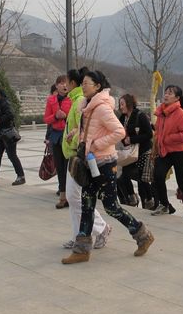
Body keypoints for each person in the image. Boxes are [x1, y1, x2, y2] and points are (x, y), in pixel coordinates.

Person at [62, 70, 154, 264]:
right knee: (87, 204)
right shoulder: (86, 106)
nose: (83, 86)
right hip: (90, 162)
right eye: (82, 83)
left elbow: (119, 132)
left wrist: (96, 144)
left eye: (86, 83)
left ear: (97, 86)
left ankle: (143, 235)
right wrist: (75, 133)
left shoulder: (102, 108)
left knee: (111, 206)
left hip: (104, 164)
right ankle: (82, 250)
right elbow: (92, 130)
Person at [60, 68, 111, 253]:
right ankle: (78, 237)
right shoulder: (78, 101)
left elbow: (86, 132)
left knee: (77, 198)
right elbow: (77, 128)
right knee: (73, 198)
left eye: (66, 82)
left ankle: (101, 228)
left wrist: (76, 139)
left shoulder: (83, 102)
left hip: (80, 156)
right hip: (73, 155)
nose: (63, 85)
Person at [150, 85, 183, 219]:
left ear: (177, 98)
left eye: (170, 93)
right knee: (158, 176)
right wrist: (156, 143)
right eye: (166, 92)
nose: (166, 95)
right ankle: (165, 205)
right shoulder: (161, 112)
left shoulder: (180, 114)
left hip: (180, 153)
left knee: (182, 183)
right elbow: (159, 131)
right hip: (165, 151)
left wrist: (168, 138)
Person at [116, 94, 154, 209]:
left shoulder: (140, 116)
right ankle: (132, 196)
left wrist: (132, 139)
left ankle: (149, 200)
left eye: (122, 104)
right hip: (129, 152)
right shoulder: (122, 118)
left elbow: (149, 134)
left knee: (143, 179)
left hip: (143, 151)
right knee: (123, 174)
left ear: (129, 103)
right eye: (120, 104)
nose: (121, 107)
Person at [44, 75, 72, 207]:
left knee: (69, 167)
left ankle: (71, 196)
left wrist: (65, 117)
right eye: (61, 83)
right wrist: (55, 116)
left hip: (68, 136)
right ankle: (62, 197)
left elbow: (76, 118)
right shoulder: (51, 100)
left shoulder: (72, 99)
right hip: (55, 136)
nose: (64, 85)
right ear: (56, 86)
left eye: (66, 83)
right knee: (59, 167)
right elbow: (46, 119)